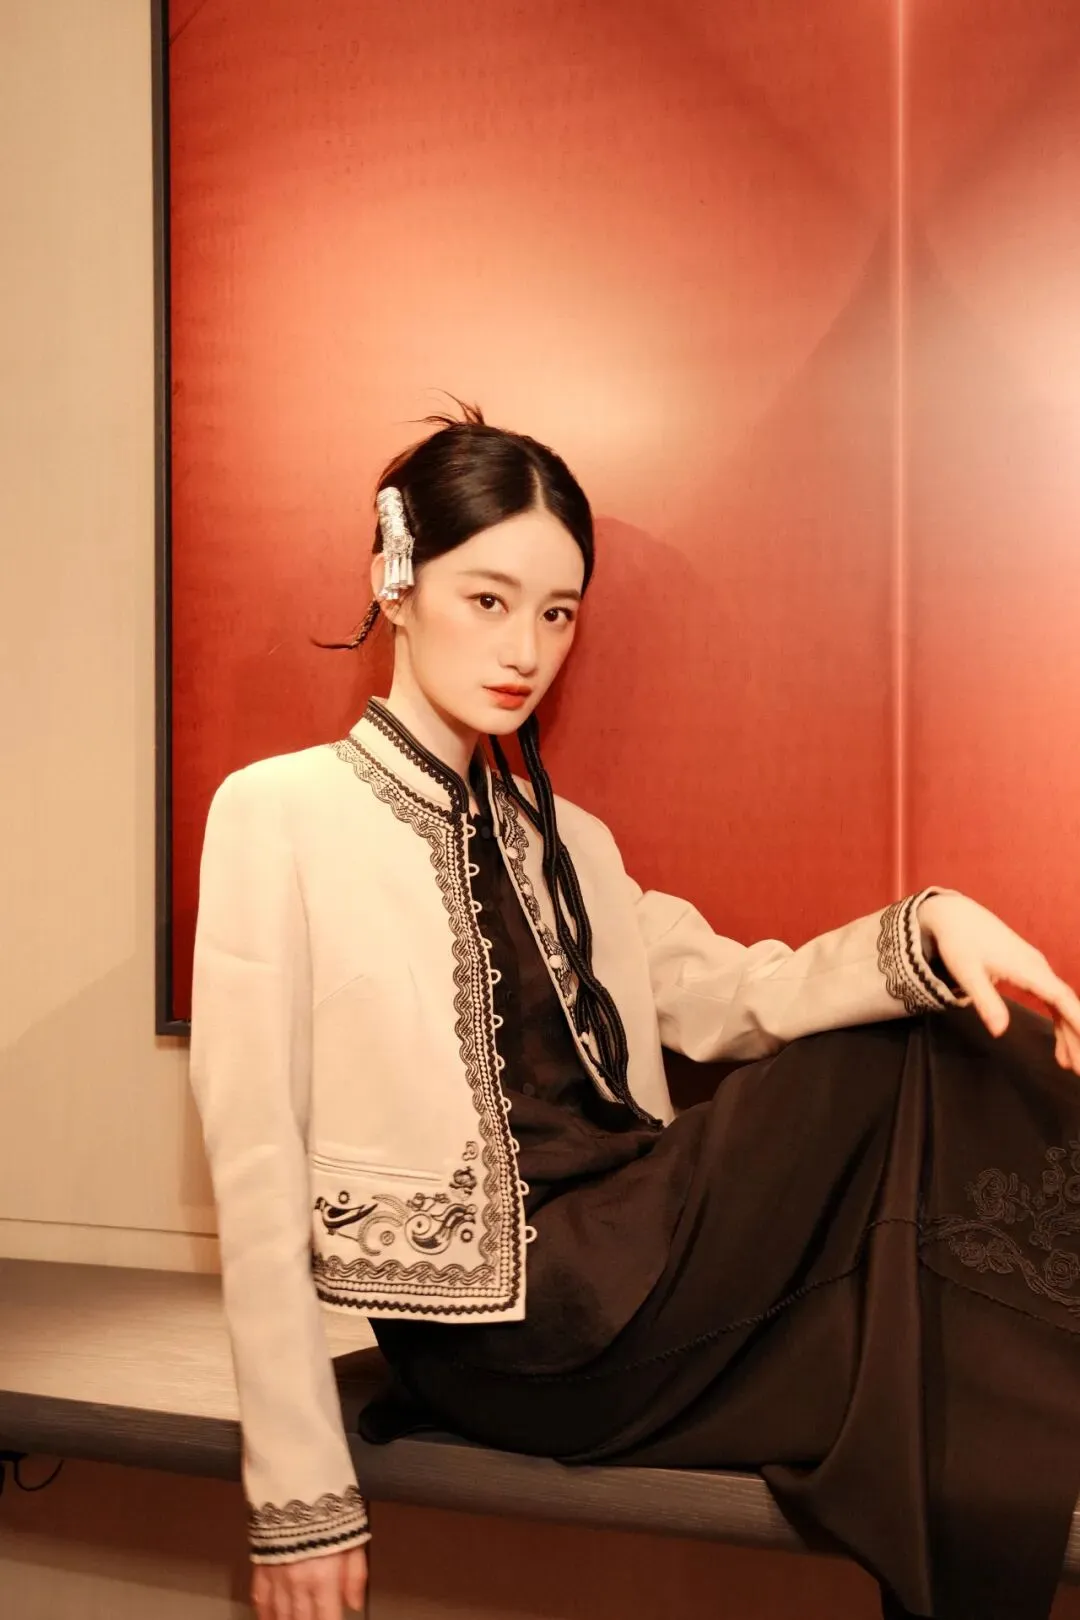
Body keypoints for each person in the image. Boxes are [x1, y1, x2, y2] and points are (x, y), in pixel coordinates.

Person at [189, 403, 1080, 1620]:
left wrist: (929, 924)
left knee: (933, 1075)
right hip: (508, 1334)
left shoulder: (574, 848)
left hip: (641, 1267)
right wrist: (299, 1495)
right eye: (489, 599)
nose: (526, 649)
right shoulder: (281, 814)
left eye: (557, 614)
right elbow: (253, 1161)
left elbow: (740, 996)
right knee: (896, 1075)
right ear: (395, 580)